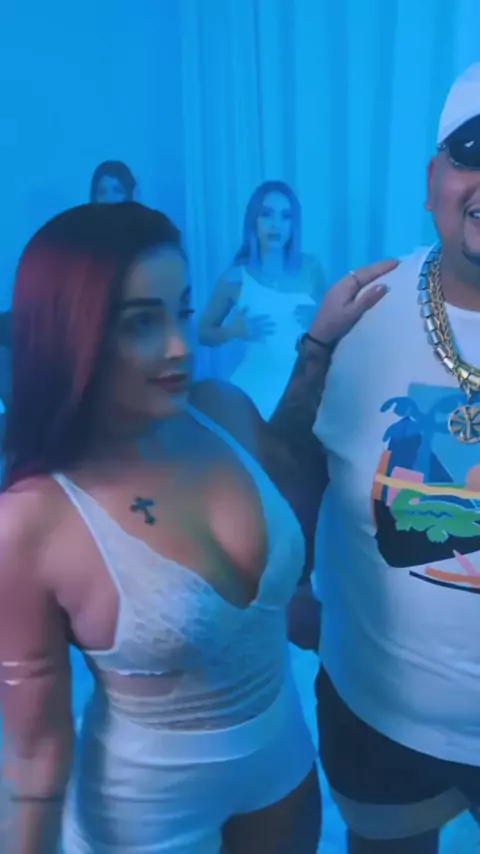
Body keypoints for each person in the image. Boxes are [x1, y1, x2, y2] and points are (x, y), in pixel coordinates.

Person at [0, 201, 391, 854]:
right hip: (146, 813)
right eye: (140, 323)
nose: (180, 346)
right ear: (72, 334)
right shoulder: (31, 519)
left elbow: (291, 462)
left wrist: (320, 342)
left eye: (181, 311)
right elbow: (34, 753)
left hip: (283, 765)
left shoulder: (220, 410)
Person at [286, 63, 480, 854]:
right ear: (434, 181)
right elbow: (297, 457)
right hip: (379, 713)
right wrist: (295, 583)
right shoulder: (365, 309)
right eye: (473, 153)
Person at [198, 180, 328, 419]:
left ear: (294, 224)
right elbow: (203, 333)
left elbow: (336, 322)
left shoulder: (311, 268)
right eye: (267, 214)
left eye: (285, 216)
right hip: (254, 397)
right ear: (254, 221)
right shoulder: (236, 277)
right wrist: (232, 331)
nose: (276, 224)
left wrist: (320, 315)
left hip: (303, 396)